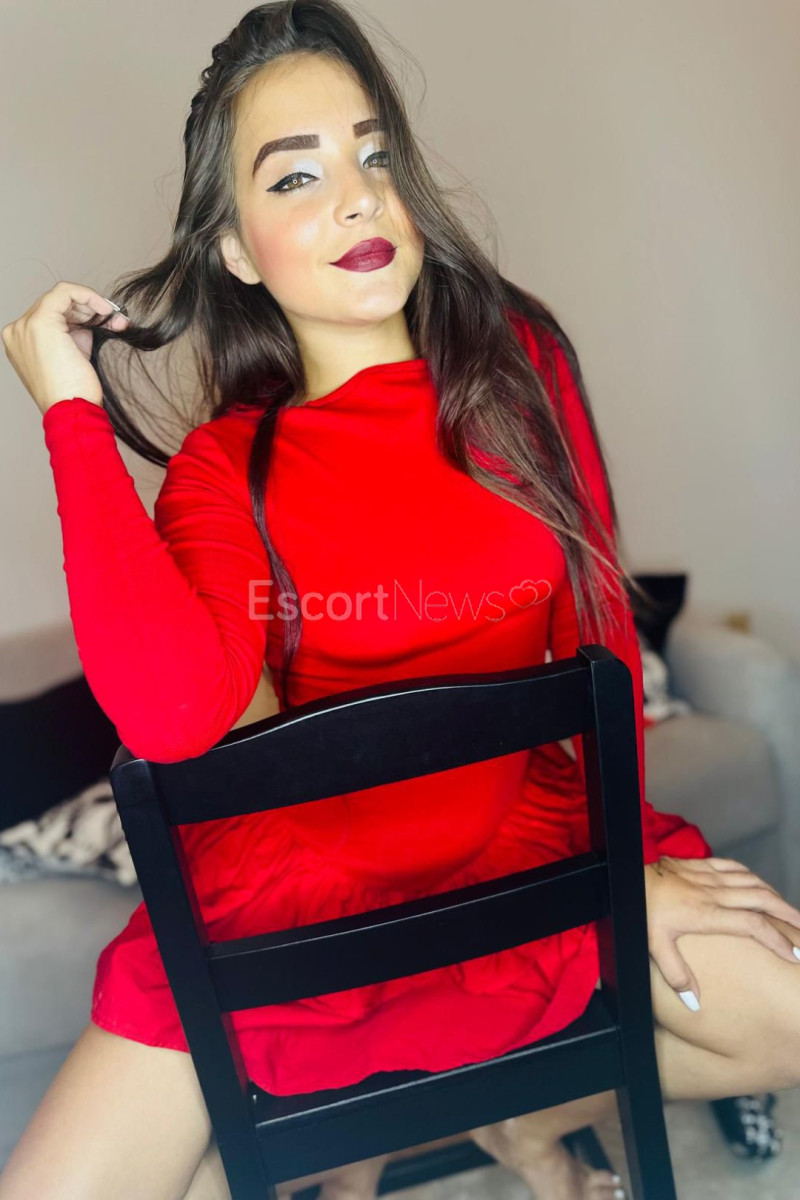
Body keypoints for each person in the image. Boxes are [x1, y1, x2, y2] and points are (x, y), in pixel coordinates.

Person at [3, 4, 800, 1199]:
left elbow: (596, 643)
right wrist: (71, 414)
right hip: (298, 911)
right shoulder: (224, 465)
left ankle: (501, 1116)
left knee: (783, 1012)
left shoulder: (520, 377)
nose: (357, 199)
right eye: (296, 175)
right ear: (234, 250)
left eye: (374, 157)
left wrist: (624, 862)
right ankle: (459, 1124)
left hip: (526, 856)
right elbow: (171, 717)